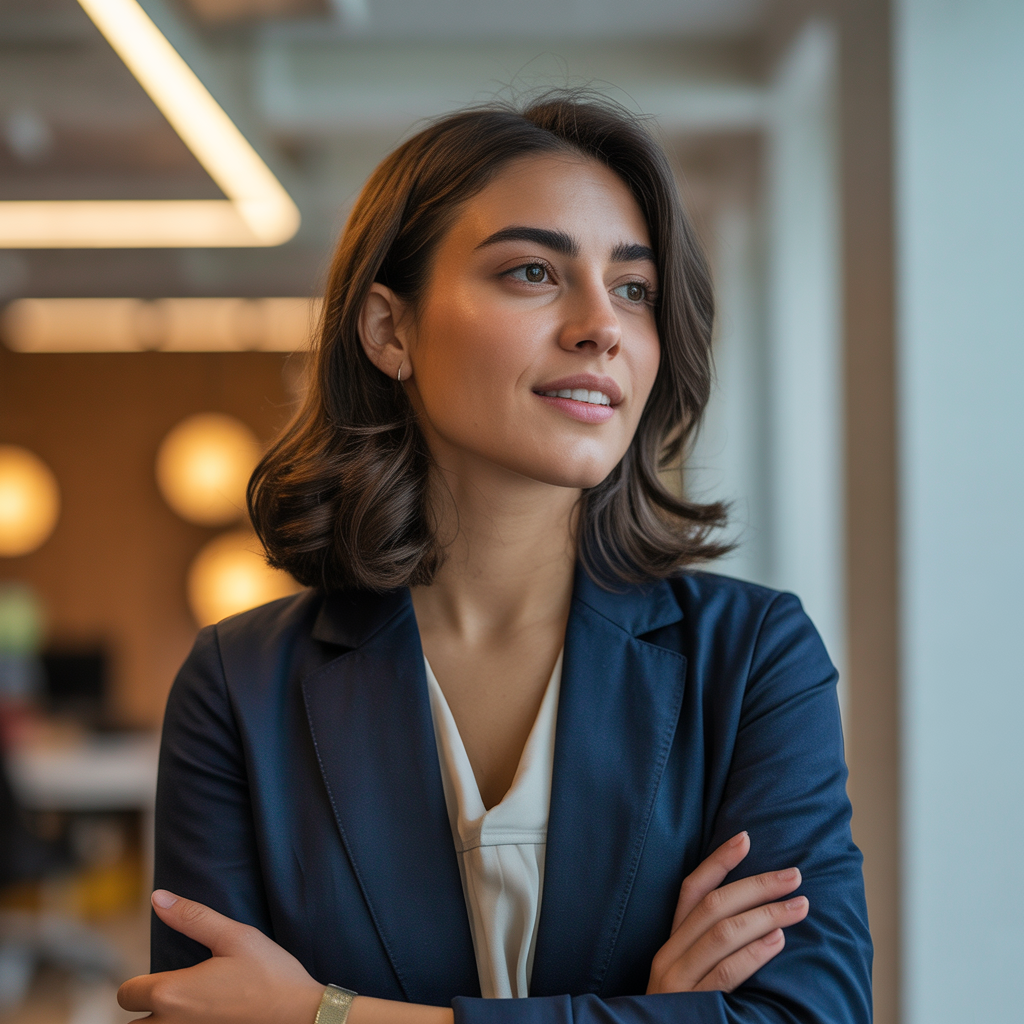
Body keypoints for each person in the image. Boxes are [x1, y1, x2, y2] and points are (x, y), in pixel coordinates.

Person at [117, 95, 872, 1024]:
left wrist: (328, 1014)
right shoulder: (240, 686)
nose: (604, 325)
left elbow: (810, 1017)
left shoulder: (755, 658)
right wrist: (650, 1012)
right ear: (390, 331)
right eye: (531, 272)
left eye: (634, 288)